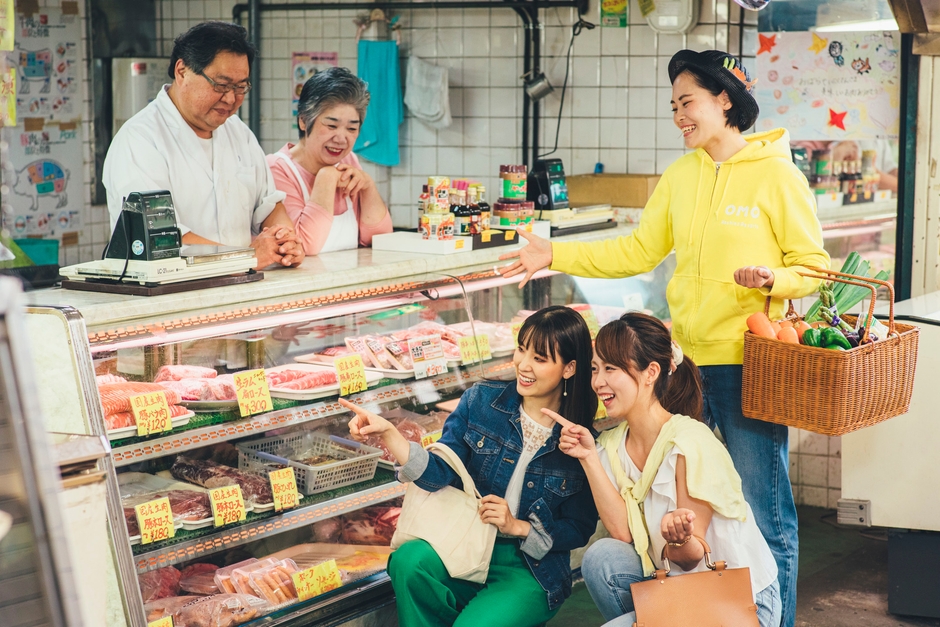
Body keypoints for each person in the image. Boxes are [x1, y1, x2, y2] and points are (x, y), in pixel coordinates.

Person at [499, 49, 830, 627]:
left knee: (761, 509)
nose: (679, 114)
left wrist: (775, 278)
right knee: (685, 511)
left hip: (749, 365)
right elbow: (637, 250)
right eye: (673, 105)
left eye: (688, 101)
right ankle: (690, 614)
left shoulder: (777, 174)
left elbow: (815, 267)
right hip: (686, 367)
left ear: (724, 98)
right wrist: (556, 252)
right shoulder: (681, 175)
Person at [339, 305, 599, 627]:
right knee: (409, 562)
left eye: (540, 358)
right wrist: (391, 435)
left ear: (570, 368)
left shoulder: (579, 439)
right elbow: (439, 473)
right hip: (464, 542)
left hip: (529, 568)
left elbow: (579, 528)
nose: (523, 365)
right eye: (521, 350)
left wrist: (519, 527)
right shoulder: (481, 402)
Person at [546, 313, 780, 627]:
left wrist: (680, 538)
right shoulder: (611, 446)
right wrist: (588, 457)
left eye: (611, 369)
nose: (598, 382)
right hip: (678, 592)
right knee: (602, 556)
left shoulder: (690, 442)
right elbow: (622, 532)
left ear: (650, 372)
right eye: (594, 368)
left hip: (738, 600)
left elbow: (691, 557)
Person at [103, 21, 304, 269]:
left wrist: (285, 242)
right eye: (220, 85)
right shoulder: (140, 140)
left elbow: (269, 205)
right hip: (171, 297)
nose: (231, 98)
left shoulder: (238, 132)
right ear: (182, 71)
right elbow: (160, 238)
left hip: (239, 290)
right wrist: (245, 257)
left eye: (240, 87)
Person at [267, 67, 392, 255]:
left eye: (351, 129)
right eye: (331, 125)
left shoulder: (348, 160)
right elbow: (303, 246)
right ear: (303, 121)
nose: (341, 139)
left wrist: (368, 187)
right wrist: (326, 176)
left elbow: (379, 238)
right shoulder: (277, 169)